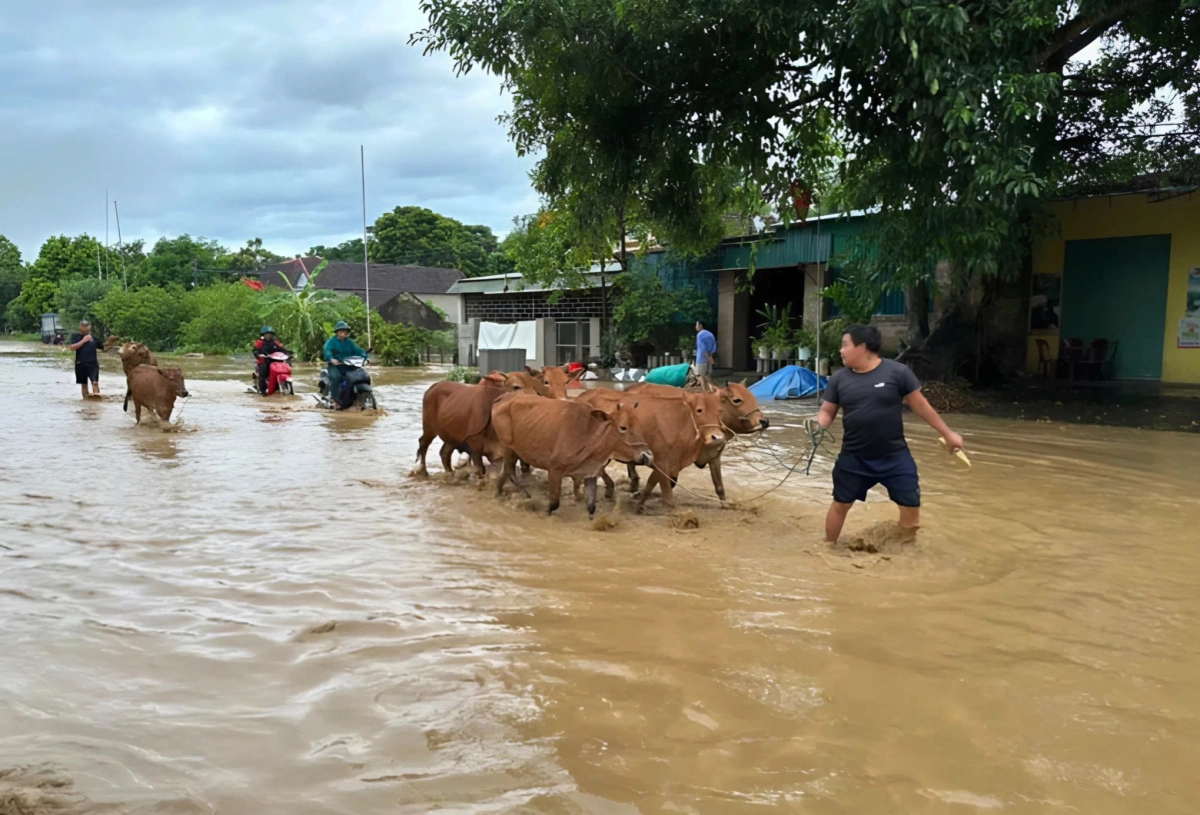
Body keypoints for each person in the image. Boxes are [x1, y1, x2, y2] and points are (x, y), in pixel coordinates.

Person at [812, 324, 964, 543]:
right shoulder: (839, 379)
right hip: (854, 457)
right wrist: (817, 426)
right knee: (841, 504)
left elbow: (921, 407)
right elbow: (827, 412)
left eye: (845, 345)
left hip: (894, 456)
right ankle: (828, 548)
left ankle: (905, 551)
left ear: (862, 347)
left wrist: (949, 434)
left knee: (911, 504)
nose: (840, 351)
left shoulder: (898, 372)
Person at [322, 321, 368, 409]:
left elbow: (359, 351)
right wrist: (331, 358)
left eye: (345, 332)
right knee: (336, 377)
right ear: (337, 332)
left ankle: (354, 396)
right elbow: (327, 350)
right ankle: (335, 399)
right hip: (335, 366)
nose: (343, 334)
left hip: (348, 365)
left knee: (359, 376)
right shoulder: (331, 341)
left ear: (347, 333)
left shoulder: (350, 342)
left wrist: (365, 357)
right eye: (341, 331)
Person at [68, 320, 101, 399]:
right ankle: (85, 401)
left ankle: (96, 402)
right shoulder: (76, 337)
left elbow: (103, 347)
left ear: (89, 327)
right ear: (80, 327)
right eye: (83, 326)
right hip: (80, 364)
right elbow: (72, 348)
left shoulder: (94, 338)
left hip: (93, 364)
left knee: (95, 383)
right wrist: (83, 341)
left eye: (86, 326)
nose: (84, 327)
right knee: (84, 385)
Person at [252, 327, 288, 395]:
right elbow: (255, 350)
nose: (268, 336)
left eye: (269, 334)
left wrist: (288, 353)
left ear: (272, 335)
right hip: (264, 361)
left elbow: (282, 349)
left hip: (275, 361)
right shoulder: (260, 343)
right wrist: (258, 353)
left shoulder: (276, 342)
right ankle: (263, 390)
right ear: (263, 335)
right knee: (263, 373)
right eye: (266, 334)